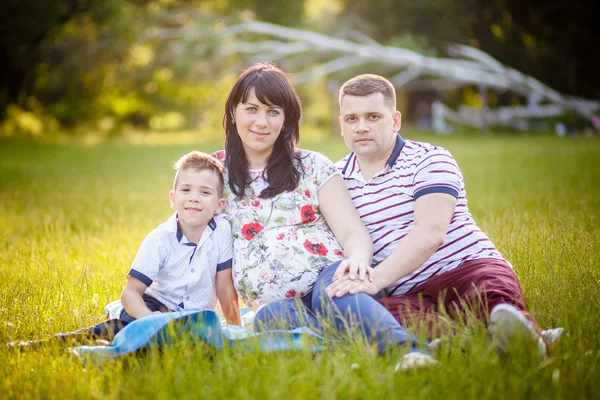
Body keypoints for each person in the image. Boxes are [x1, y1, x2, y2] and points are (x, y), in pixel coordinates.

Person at [214, 62, 436, 369]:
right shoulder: (213, 175)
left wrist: (356, 261)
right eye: (251, 109)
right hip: (278, 305)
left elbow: (351, 231)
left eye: (273, 111)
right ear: (234, 112)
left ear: (286, 120)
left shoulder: (311, 165)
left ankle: (408, 350)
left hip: (330, 274)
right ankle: (356, 355)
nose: (261, 122)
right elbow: (197, 244)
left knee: (334, 292)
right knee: (268, 320)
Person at [326, 74, 547, 357]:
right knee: (376, 315)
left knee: (489, 297)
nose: (362, 127)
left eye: (373, 116)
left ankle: (518, 336)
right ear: (341, 125)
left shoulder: (430, 158)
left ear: (395, 120)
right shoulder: (334, 179)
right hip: (404, 291)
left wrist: (377, 278)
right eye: (351, 119)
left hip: (464, 267)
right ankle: (466, 346)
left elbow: (431, 233)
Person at [10, 151, 240, 349]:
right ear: (173, 198)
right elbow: (130, 294)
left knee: (193, 347)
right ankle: (54, 344)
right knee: (124, 330)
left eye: (205, 192)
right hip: (152, 308)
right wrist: (151, 322)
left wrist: (238, 332)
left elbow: (224, 289)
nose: (194, 198)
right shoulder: (160, 239)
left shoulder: (220, 231)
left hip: (194, 317)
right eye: (186, 190)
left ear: (219, 205)